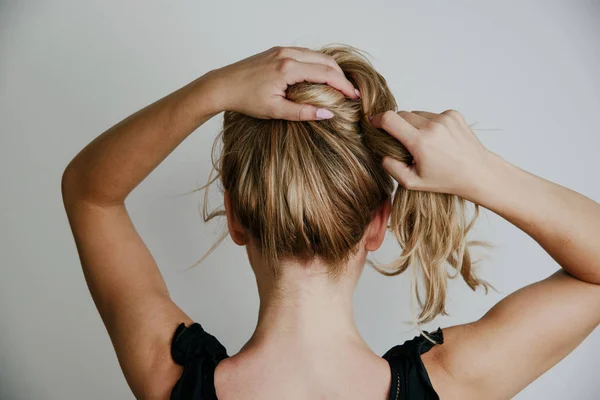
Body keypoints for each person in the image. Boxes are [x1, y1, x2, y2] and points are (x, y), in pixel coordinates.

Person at [61, 45, 600, 400]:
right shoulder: (454, 383)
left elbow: (90, 194)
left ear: (235, 216)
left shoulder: (170, 377)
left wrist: (212, 89)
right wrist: (482, 172)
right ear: (376, 224)